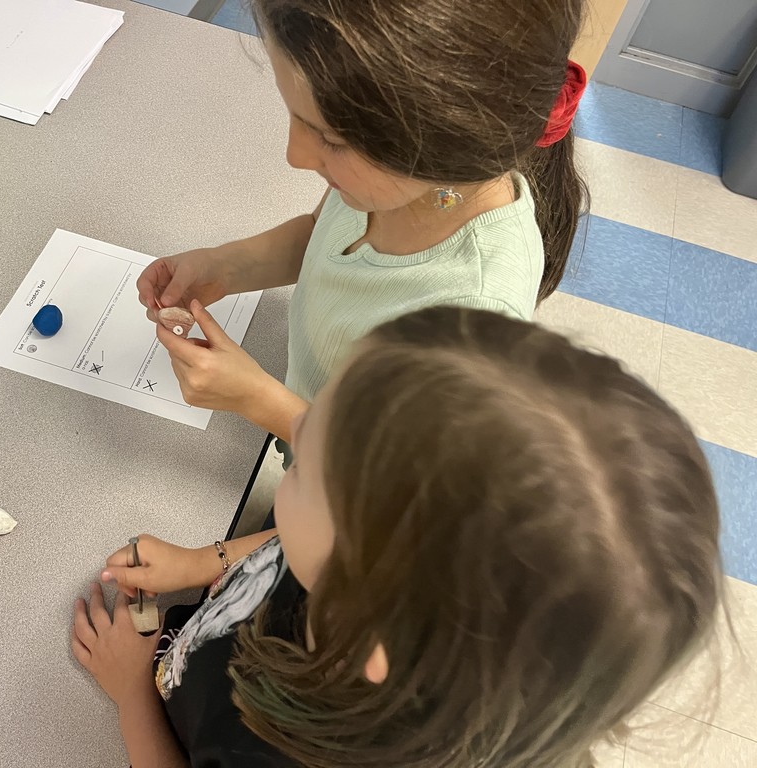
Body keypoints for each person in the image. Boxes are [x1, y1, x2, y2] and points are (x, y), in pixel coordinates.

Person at [71, 307, 722, 768]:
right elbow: (289, 554)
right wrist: (200, 562)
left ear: (366, 628)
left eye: (309, 471)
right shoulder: (394, 586)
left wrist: (132, 695)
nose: (297, 429)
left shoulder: (275, 752)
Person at [138, 0, 589, 442]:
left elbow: (392, 493)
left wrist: (259, 400)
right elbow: (322, 237)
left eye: (330, 139)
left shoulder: (476, 322)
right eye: (295, 116)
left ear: (446, 143)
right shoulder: (393, 181)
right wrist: (224, 266)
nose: (294, 156)